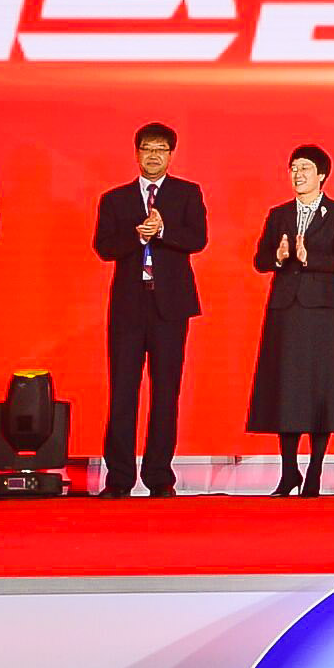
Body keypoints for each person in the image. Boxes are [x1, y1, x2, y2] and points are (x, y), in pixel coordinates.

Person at [90, 122, 208, 496]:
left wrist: (162, 232)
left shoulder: (187, 193)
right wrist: (135, 235)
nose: (153, 155)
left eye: (160, 149)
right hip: (128, 307)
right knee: (122, 391)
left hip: (170, 306)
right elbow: (103, 247)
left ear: (171, 154)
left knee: (165, 392)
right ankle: (119, 478)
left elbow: (198, 238)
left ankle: (159, 476)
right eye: (147, 148)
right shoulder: (115, 199)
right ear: (137, 153)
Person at [246, 145, 334, 494]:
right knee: (286, 389)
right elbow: (260, 260)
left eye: (305, 168)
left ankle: (315, 471)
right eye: (293, 167)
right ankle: (289, 470)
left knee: (321, 389)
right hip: (285, 311)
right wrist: (278, 257)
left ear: (321, 175)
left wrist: (310, 257)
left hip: (321, 313)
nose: (297, 174)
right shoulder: (278, 214)